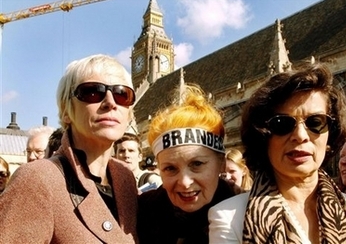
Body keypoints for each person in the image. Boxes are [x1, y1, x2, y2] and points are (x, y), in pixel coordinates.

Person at [208, 63, 346, 243]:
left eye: (315, 122)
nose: (300, 136)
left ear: (330, 134)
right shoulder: (229, 217)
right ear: (263, 137)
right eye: (282, 124)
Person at [0, 54, 139, 243]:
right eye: (92, 92)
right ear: (66, 111)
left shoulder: (125, 179)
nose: (110, 102)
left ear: (129, 113)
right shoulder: (38, 179)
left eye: (122, 94)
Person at [137, 83, 236, 244]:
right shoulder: (139, 213)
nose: (184, 182)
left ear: (221, 164)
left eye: (196, 164)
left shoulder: (249, 215)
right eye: (170, 168)